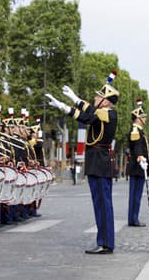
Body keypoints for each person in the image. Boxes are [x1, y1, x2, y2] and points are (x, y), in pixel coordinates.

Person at [47, 73, 118, 254]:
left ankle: (106, 243)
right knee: (99, 203)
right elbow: (88, 114)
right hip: (96, 162)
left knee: (103, 204)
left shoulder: (109, 113)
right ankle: (104, 241)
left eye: (98, 96)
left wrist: (69, 103)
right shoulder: (100, 113)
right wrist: (71, 103)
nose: (95, 98)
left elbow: (87, 116)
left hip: (101, 162)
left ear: (106, 101)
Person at [126, 99, 149, 227]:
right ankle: (134, 219)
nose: (145, 119)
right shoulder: (136, 131)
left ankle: (133, 218)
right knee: (135, 195)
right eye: (143, 117)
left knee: (135, 195)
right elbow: (137, 147)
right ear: (138, 118)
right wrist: (141, 157)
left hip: (137, 167)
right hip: (137, 167)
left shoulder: (139, 131)